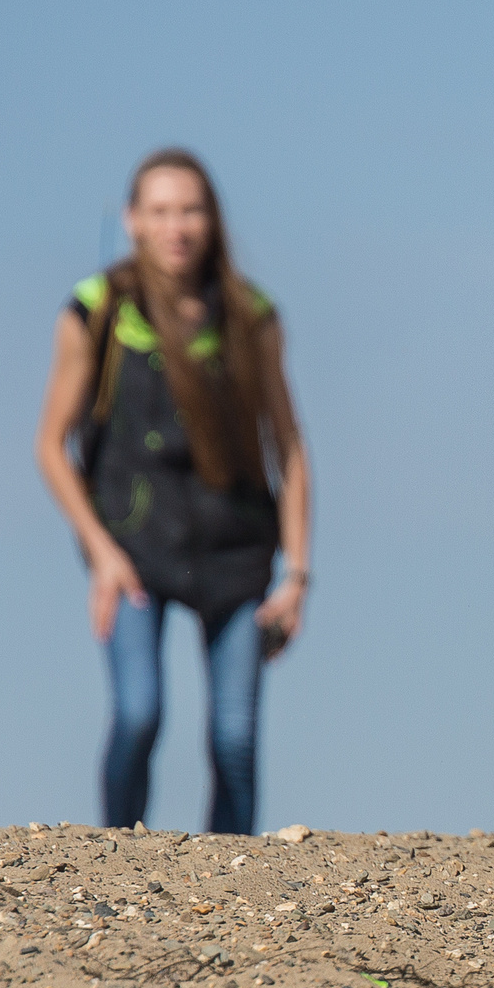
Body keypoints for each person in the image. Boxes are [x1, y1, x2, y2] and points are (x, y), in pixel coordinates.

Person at [33, 149, 312, 835]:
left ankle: (235, 884)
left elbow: (292, 449)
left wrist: (297, 575)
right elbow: (51, 445)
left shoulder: (252, 317)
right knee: (138, 713)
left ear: (212, 219)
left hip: (235, 548)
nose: (175, 226)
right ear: (132, 220)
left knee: (234, 741)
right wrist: (101, 552)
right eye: (159, 211)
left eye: (189, 209)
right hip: (133, 544)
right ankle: (113, 861)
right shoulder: (94, 312)